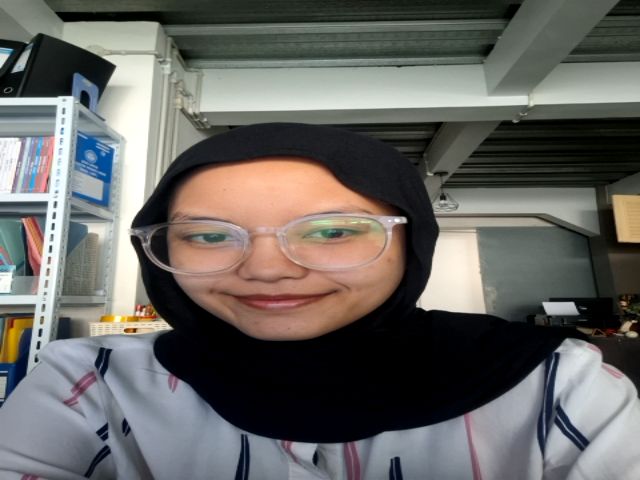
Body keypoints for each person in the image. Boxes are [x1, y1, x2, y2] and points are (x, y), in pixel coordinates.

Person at [0, 123, 639, 479]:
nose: (267, 270)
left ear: (412, 241)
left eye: (332, 231)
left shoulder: (556, 385)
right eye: (210, 236)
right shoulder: (88, 383)